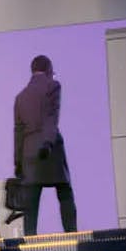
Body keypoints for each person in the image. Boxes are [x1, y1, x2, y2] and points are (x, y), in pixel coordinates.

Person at [10, 55, 77, 234]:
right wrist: (47, 142)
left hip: (28, 153)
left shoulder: (20, 97)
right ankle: (72, 235)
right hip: (50, 149)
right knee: (64, 192)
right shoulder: (53, 86)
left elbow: (18, 132)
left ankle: (30, 240)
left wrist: (18, 163)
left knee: (31, 203)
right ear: (48, 69)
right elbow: (51, 117)